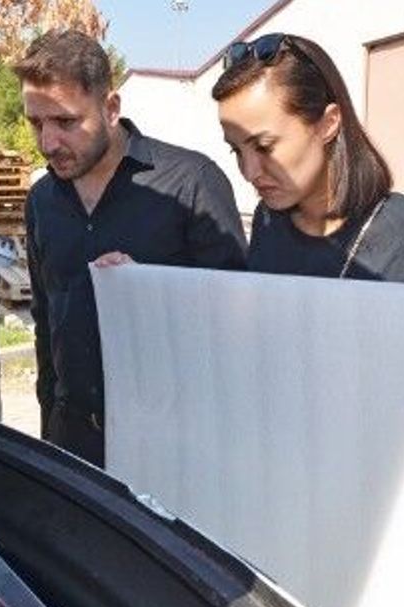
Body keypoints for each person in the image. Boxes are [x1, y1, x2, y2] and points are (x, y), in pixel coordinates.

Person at [14, 30, 247, 468]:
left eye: (65, 122)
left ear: (111, 108)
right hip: (72, 444)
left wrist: (152, 294)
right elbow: (46, 324)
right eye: (36, 123)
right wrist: (50, 438)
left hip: (171, 447)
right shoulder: (42, 200)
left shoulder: (190, 184)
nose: (48, 143)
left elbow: (237, 328)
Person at [212, 33, 404, 287]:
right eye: (236, 150)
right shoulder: (268, 221)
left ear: (328, 124)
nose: (249, 172)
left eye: (264, 146)